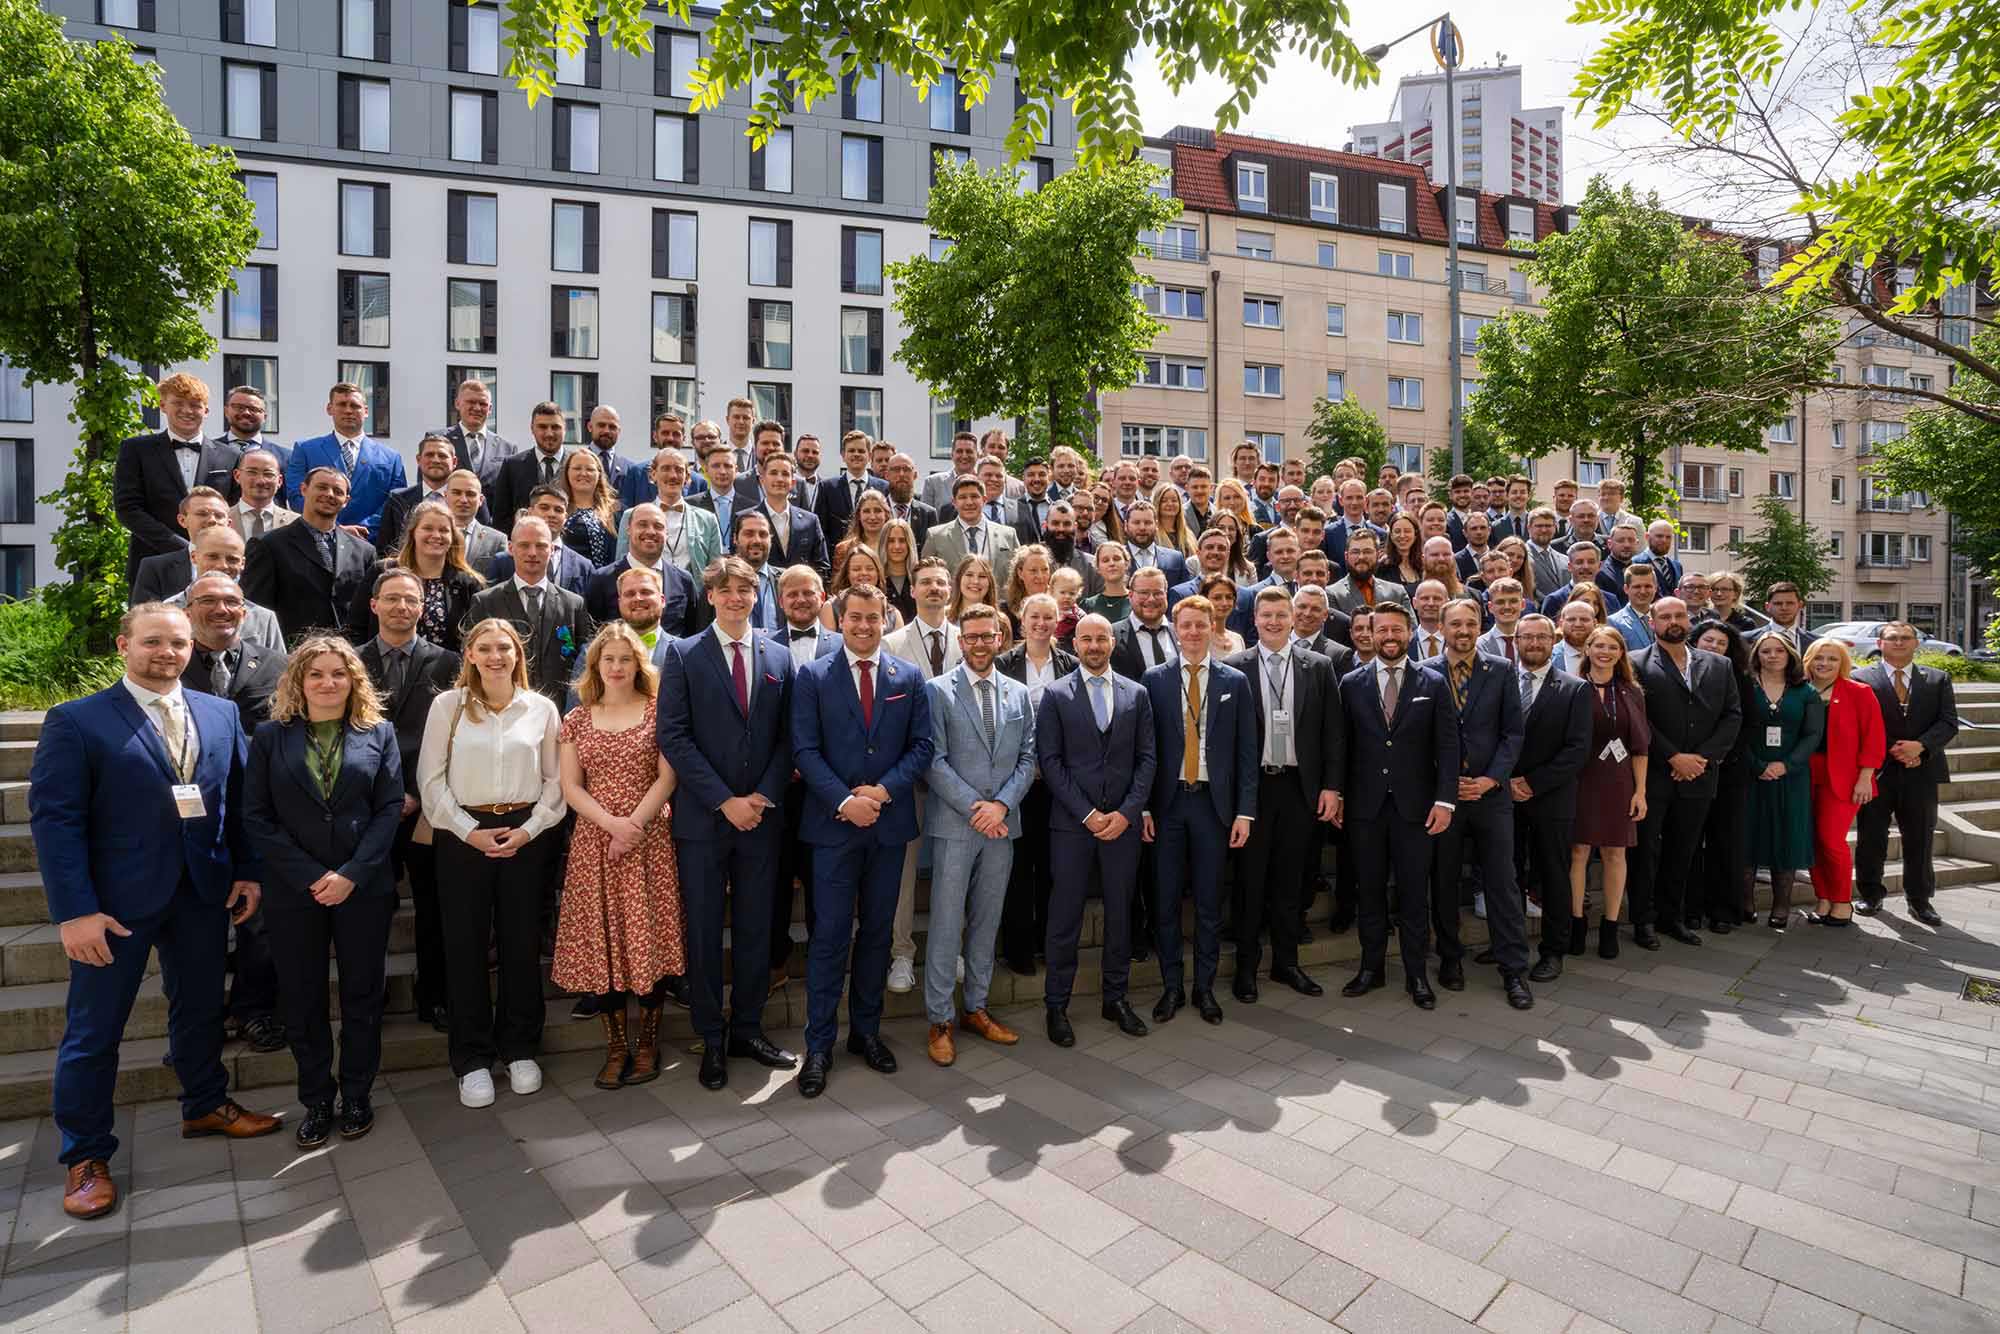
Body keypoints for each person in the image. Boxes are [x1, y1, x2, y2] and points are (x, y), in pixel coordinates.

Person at [29, 604, 281, 1219]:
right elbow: (56, 822)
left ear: (191, 647)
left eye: (176, 643)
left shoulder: (220, 715)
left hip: (200, 893)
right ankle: (85, 1156)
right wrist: (75, 912)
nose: (165, 653)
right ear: (123, 645)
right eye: (152, 643)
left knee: (198, 1009)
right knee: (95, 1033)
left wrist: (246, 871)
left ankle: (204, 1104)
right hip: (113, 907)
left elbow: (239, 800)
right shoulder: (77, 721)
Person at [241, 636, 402, 1149]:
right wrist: (311, 875)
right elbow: (257, 817)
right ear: (298, 681)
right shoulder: (270, 737)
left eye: (338, 673)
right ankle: (315, 1098)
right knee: (302, 997)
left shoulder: (378, 732)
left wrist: (352, 872)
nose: (328, 683)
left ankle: (357, 1092)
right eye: (317, 675)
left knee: (361, 995)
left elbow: (388, 808)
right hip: (295, 891)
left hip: (363, 887)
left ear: (354, 680)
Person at [657, 557, 798, 1091]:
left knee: (757, 926)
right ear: (710, 596)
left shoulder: (779, 656)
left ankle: (748, 1028)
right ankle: (711, 1036)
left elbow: (788, 737)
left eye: (746, 589)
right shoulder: (684, 654)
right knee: (704, 928)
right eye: (727, 590)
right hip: (703, 820)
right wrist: (724, 800)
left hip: (761, 818)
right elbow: (674, 736)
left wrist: (760, 795)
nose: (737, 597)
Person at [791, 583, 935, 1098]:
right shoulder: (812, 675)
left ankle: (867, 1033)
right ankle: (820, 1044)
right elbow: (804, 749)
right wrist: (844, 800)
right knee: (829, 936)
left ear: (884, 619)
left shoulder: (908, 677)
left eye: (873, 618)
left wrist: (883, 790)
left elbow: (922, 746)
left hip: (889, 825)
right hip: (833, 827)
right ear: (840, 619)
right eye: (855, 617)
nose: (864, 626)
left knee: (877, 932)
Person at [417, 618, 567, 1108]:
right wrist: (468, 833)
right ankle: (473, 1057)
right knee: (465, 947)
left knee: (522, 944)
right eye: (486, 648)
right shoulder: (448, 707)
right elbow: (431, 780)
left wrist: (529, 829)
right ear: (471, 655)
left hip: (527, 833)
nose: (496, 655)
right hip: (463, 834)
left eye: (505, 647)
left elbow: (555, 780)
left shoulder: (541, 708)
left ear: (518, 654)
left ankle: (521, 1046)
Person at [555, 624, 685, 1089]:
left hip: (649, 840)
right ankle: (615, 1046)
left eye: (624, 660)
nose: (615, 667)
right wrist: (613, 826)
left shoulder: (656, 711)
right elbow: (570, 786)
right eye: (607, 659)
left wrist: (634, 825)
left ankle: (647, 1042)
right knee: (603, 946)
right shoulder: (577, 719)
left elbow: (667, 778)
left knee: (649, 939)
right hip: (597, 845)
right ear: (595, 666)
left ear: (638, 665)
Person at [919, 604, 1035, 1065]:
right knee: (947, 922)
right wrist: (977, 808)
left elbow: (1029, 758)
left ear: (1000, 638)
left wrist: (1002, 805)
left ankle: (977, 1008)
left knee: (987, 920)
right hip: (956, 824)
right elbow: (933, 760)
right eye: (972, 637)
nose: (981, 643)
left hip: (1003, 825)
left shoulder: (1019, 693)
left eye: (988, 636)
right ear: (960, 641)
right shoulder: (936, 692)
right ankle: (940, 1019)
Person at [1037, 614, 1157, 1044]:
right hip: (1072, 825)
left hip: (1122, 825)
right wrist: (1088, 814)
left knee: (1120, 914)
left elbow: (1147, 759)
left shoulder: (1136, 693)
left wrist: (1127, 812)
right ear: (1075, 643)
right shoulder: (1055, 694)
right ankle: (1057, 1005)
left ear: (1112, 641)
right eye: (1085, 639)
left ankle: (1115, 997)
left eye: (1100, 638)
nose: (1093, 645)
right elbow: (1050, 761)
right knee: (1064, 917)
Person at [1335, 602, 1457, 1009]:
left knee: (1412, 895)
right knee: (1368, 892)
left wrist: (1445, 800)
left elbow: (1447, 745)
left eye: (1396, 630)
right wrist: (1335, 793)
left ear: (1409, 633)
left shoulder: (1434, 682)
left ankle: (1416, 974)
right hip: (1365, 809)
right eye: (1381, 629)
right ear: (1369, 632)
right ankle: (1370, 968)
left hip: (1416, 808)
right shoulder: (1351, 682)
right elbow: (1341, 746)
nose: (1389, 637)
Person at [1140, 596, 1254, 1027]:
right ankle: (1172, 986)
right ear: (1175, 628)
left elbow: (1246, 753)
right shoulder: (1153, 680)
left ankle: (1204, 987)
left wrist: (1245, 811)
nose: (1192, 633)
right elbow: (1145, 750)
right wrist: (1145, 807)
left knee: (1208, 902)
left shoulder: (1234, 681)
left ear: (1212, 628)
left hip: (1213, 806)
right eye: (1185, 625)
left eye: (1200, 626)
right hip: (1167, 806)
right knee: (1166, 902)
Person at [1225, 588, 1343, 1000]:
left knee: (1292, 880)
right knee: (1250, 882)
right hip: (1253, 789)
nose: (1274, 622)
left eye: (1281, 614)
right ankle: (1245, 968)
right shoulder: (1234, 667)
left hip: (1299, 788)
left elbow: (1333, 733)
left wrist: (1332, 786)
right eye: (1266, 615)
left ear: (1292, 618)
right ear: (1253, 620)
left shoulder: (1319, 666)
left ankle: (1286, 964)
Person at [359, 569, 460, 1032]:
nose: (402, 607)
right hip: (368, 808)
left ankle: (434, 994)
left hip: (429, 805)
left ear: (423, 608)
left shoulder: (449, 662)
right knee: (369, 908)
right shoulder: (352, 663)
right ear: (374, 604)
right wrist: (386, 795)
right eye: (392, 599)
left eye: (411, 600)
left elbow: (456, 736)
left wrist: (419, 793)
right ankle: (367, 995)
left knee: (437, 907)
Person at [1430, 598, 1534, 1007]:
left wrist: (1491, 779)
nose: (1463, 630)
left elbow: (1513, 733)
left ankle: (1513, 970)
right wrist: (1445, 784)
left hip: (1491, 796)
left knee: (1503, 884)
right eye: (1455, 624)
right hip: (1446, 798)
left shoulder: (1503, 670)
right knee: (1443, 879)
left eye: (1471, 623)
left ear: (1480, 625)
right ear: (1441, 628)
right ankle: (1450, 958)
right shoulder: (1425, 673)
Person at [1628, 598, 1743, 948]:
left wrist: (1702, 758)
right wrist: (1674, 756)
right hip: (1655, 775)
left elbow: (1733, 715)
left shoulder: (1719, 664)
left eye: (1679, 615)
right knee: (1646, 851)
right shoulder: (1634, 664)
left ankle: (1671, 917)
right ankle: (1643, 921)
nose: (1673, 621)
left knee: (1684, 850)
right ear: (1652, 622)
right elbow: (1638, 719)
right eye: (1665, 616)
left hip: (1700, 775)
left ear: (1689, 619)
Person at [881, 559, 961, 993]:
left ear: (950, 589)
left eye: (940, 581)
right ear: (911, 591)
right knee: (905, 871)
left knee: (953, 868)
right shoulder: (892, 644)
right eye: (925, 582)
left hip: (957, 778)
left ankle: (952, 949)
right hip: (908, 776)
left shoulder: (967, 640)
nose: (933, 588)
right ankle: (901, 953)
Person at [1854, 623, 1957, 925]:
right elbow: (1858, 725)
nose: (1899, 642)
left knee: (1920, 838)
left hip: (1922, 771)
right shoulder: (1861, 679)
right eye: (1892, 638)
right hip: (1877, 770)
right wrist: (1897, 750)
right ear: (1880, 643)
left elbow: (1948, 722)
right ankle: (1870, 894)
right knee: (1871, 836)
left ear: (1916, 644)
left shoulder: (1937, 679)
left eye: (1905, 638)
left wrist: (1920, 747)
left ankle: (1920, 900)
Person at [1510, 615, 1595, 979]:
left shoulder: (1575, 688)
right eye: (1526, 637)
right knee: (1507, 873)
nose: (1533, 643)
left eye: (1541, 637)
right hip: (1503, 796)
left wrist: (1532, 782)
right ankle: (1509, 943)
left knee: (1554, 874)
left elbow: (1578, 749)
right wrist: (1507, 780)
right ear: (1515, 641)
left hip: (1552, 797)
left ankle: (1553, 950)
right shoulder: (1499, 681)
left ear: (1552, 640)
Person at [996, 592, 1074, 975]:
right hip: (1016, 782)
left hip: (1059, 785)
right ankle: (1017, 947)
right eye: (1034, 617)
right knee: (1016, 866)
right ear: (1021, 620)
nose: (1041, 624)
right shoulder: (1003, 665)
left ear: (1057, 622)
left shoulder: (1071, 666)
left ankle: (1048, 939)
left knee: (1053, 866)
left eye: (1048, 617)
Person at [1568, 626, 1652, 959]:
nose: (1605, 652)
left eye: (1612, 647)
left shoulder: (1632, 692)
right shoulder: (1573, 688)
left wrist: (1640, 791)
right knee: (1578, 853)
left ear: (1621, 654)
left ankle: (1610, 927)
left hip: (1619, 782)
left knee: (1616, 854)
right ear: (1587, 649)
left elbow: (1640, 748)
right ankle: (1576, 923)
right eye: (1598, 646)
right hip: (1582, 779)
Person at [114, 373, 243, 585]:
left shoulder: (230, 456)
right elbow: (128, 509)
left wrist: (212, 549)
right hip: (153, 563)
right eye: (178, 403)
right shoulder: (135, 450)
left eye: (195, 404)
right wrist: (184, 548)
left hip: (216, 569)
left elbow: (233, 508)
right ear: (163, 406)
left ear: (206, 410)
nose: (187, 411)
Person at [462, 516, 595, 708]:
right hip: (500, 708)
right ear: (510, 548)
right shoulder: (485, 602)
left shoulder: (573, 604)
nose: (533, 553)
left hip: (558, 711)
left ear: (552, 549)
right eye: (524, 545)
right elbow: (470, 659)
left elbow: (583, 664)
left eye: (541, 546)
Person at [1743, 633, 1826, 929]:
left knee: (1787, 838)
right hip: (1751, 773)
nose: (1773, 656)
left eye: (1779, 650)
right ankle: (1745, 902)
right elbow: (1736, 730)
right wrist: (1757, 764)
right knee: (1746, 836)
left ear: (1790, 655)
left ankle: (1781, 906)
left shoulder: (1806, 692)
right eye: (1766, 651)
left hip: (1791, 776)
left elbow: (1813, 734)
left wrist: (1786, 765)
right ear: (1757, 656)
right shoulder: (1745, 689)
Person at [244, 467, 376, 644]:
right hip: (290, 654)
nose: (329, 494)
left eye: (338, 491)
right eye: (322, 487)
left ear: (346, 500)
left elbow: (369, 611)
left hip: (349, 655)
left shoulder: (365, 551)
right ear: (303, 489)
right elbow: (256, 610)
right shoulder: (268, 545)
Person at [1802, 639, 1884, 925]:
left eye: (1832, 659)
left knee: (1830, 839)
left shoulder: (1859, 692)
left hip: (1845, 777)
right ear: (1808, 660)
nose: (1824, 664)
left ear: (1843, 663)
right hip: (1803, 774)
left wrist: (1865, 777)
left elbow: (1874, 738)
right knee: (1810, 840)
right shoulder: (1800, 690)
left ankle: (1841, 901)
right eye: (1818, 658)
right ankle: (1823, 898)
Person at [349, 500, 487, 652]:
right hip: (382, 669)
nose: (436, 535)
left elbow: (477, 638)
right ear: (413, 532)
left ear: (453, 537)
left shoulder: (468, 584)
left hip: (445, 672)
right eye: (428, 528)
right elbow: (355, 628)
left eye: (444, 530)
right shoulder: (382, 572)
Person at [1690, 622, 1757, 932]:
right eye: (1708, 640)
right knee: (1689, 843)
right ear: (1695, 641)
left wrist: (1713, 755)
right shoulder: (1683, 672)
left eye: (1721, 642)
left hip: (1729, 771)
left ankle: (1723, 911)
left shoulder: (1741, 678)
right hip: (1687, 771)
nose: (1714, 646)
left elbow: (1745, 724)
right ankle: (1690, 909)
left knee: (1726, 842)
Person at [283, 383, 409, 541]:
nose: (348, 410)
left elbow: (396, 501)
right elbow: (296, 495)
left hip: (370, 542)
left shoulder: (391, 458)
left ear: (366, 411)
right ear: (329, 409)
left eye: (355, 406)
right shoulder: (305, 450)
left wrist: (365, 529)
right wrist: (333, 528)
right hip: (315, 540)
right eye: (342, 404)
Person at [131, 485, 233, 602]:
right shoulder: (155, 568)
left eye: (219, 515)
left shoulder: (248, 568)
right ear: (182, 520)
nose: (212, 520)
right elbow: (142, 616)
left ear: (229, 524)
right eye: (202, 514)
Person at [923, 474, 1019, 590]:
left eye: (974, 496)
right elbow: (925, 577)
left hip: (997, 606)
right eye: (962, 497)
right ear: (954, 502)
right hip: (953, 606)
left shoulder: (1008, 535)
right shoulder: (936, 537)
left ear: (984, 500)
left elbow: (1017, 577)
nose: (969, 502)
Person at [489, 400, 572, 533]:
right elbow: (500, 519)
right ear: (532, 429)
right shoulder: (512, 466)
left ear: (565, 429)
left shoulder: (577, 466)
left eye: (555, 427)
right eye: (543, 427)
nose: (549, 433)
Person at [376, 433, 462, 559]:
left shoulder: (468, 500)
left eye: (442, 456)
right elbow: (384, 548)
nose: (436, 460)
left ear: (454, 462)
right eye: (429, 455)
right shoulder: (398, 499)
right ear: (418, 460)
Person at [814, 429, 889, 544]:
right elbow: (820, 530)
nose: (856, 454)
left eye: (861, 451)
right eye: (851, 451)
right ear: (843, 456)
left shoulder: (884, 487)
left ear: (869, 456)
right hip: (838, 557)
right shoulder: (827, 488)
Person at [441, 376, 511, 494]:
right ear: (457, 404)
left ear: (490, 409)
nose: (477, 408)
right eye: (471, 402)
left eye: (483, 404)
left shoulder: (506, 448)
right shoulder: (439, 440)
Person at [1327, 531, 1411, 617]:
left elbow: (1412, 628)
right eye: (1355, 552)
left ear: (1378, 555)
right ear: (1346, 556)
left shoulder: (1397, 593)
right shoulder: (1332, 594)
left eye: (1367, 552)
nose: (1361, 557)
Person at [559, 449, 620, 568]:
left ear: (599, 474)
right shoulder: (556, 508)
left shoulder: (616, 510)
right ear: (567, 472)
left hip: (601, 581)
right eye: (577, 468)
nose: (583, 473)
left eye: (590, 469)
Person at [230, 445, 296, 544]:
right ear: (237, 476)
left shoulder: (295, 523)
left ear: (280, 481)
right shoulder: (221, 520)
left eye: (268, 474)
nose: (260, 481)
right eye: (252, 472)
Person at [1083, 540, 1132, 622]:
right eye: (1105, 560)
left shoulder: (1137, 601)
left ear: (1126, 564)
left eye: (1116, 559)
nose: (1112, 563)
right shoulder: (1088, 605)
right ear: (1098, 568)